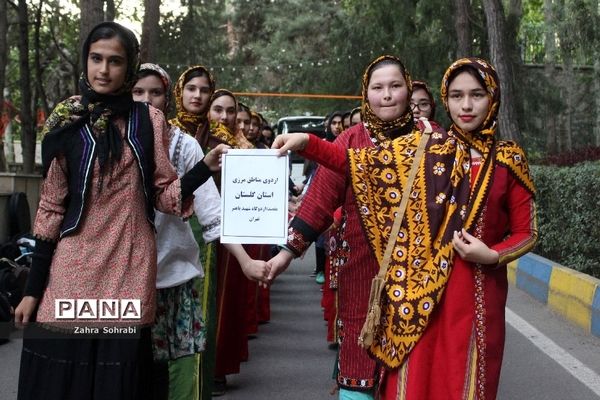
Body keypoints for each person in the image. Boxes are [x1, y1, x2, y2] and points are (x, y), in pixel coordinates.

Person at [271, 57, 537, 400]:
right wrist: (307, 142)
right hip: (415, 291)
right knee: (412, 385)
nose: (466, 105)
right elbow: (354, 162)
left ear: (494, 98)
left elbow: (527, 232)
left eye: (477, 95)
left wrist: (492, 254)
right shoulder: (427, 148)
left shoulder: (507, 159)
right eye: (457, 96)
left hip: (478, 293)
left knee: (467, 384)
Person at [13, 22, 236, 400]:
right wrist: (33, 290)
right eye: (96, 59)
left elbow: (166, 197)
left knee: (118, 380)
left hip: (129, 269)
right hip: (72, 270)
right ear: (85, 61)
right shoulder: (66, 119)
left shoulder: (148, 120)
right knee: (65, 378)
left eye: (115, 61)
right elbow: (51, 209)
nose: (103, 70)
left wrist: (203, 169)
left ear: (129, 66)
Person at [267, 55, 418, 400]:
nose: (387, 95)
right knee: (358, 352)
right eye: (377, 88)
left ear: (408, 89)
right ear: (366, 95)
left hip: (415, 272)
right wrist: (285, 254)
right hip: (360, 269)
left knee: (411, 366)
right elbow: (320, 200)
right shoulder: (350, 139)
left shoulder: (432, 140)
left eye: (395, 86)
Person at [132, 63, 269, 400]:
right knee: (120, 363)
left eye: (155, 93)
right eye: (138, 92)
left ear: (167, 97)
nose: (147, 101)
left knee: (170, 362)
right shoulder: (105, 136)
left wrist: (246, 259)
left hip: (174, 265)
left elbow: (213, 212)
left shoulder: (187, 145)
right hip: (118, 270)